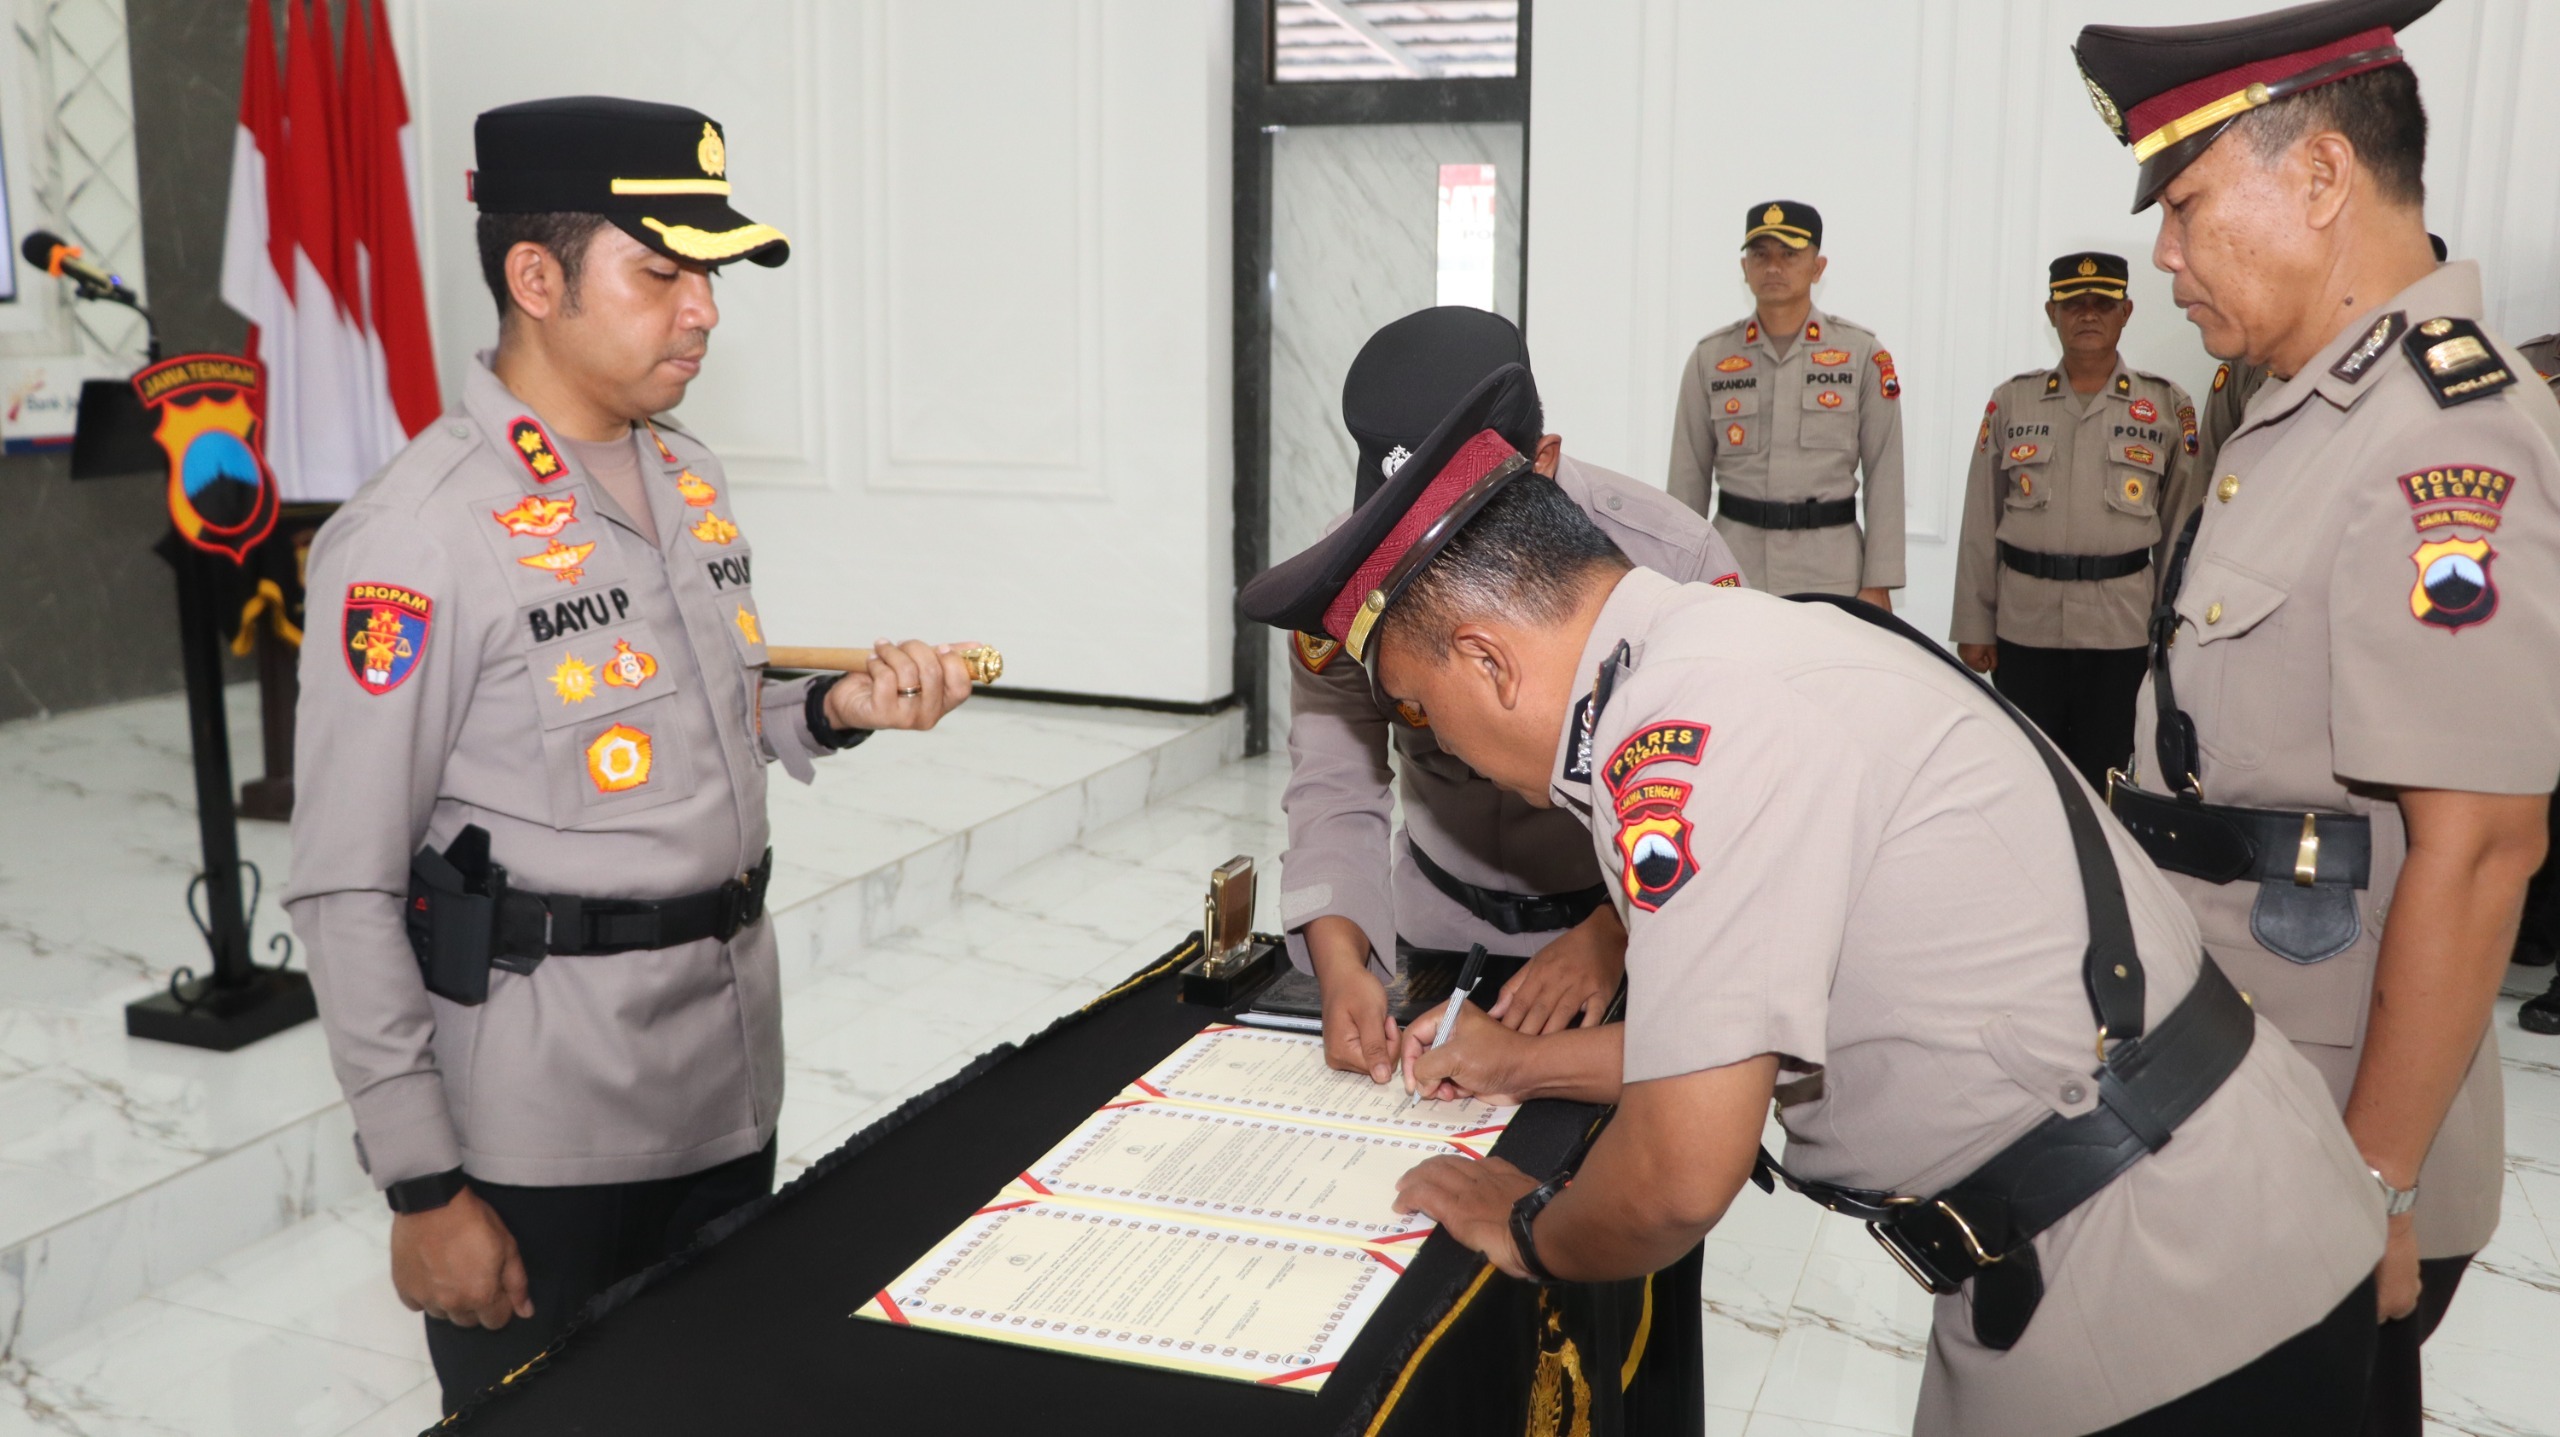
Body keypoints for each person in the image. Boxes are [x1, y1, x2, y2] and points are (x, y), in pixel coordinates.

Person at [1237, 366, 2386, 1436]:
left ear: (1488, 659)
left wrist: (1528, 1231)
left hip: (2164, 1281)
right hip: (2185, 1220)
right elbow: (1741, 1038)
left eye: (1421, 708)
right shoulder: (1730, 648)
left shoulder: (1679, 742)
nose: (1440, 747)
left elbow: (1679, 1172)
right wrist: (1520, 1063)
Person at [283, 97, 978, 1413]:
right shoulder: (417, 536)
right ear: (534, 279)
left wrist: (833, 710)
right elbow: (342, 884)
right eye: (661, 272)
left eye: (708, 274)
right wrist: (425, 1187)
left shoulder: (684, 475)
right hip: (543, 1129)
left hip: (725, 1077)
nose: (703, 309)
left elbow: (706, 712)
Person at [2074, 3, 2560, 1431]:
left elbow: (2480, 848)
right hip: (2237, 1087)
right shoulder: (2295, 407)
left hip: (2327, 1137)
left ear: (2324, 176)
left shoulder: (2446, 434)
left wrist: (2374, 1190)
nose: (2165, 256)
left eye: (2185, 205)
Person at [1283, 307, 1741, 1083]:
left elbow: (1724, 807)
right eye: (1402, 535)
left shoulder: (1672, 562)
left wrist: (1611, 934)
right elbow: (1334, 781)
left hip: (1624, 930)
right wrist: (1341, 962)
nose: (1437, 571)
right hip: (1429, 925)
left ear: (1543, 464)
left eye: (1463, 524)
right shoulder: (1344, 587)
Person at [1952, 252, 2200, 787]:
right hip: (2025, 627)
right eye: (2073, 304)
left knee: (2106, 777)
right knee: (2027, 776)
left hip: (2121, 631)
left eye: (2103, 303)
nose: (2088, 314)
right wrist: (1974, 624)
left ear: (2126, 312)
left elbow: (2182, 535)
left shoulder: (2166, 407)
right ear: (2052, 312)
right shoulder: (2012, 402)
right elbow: (1980, 518)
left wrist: (2171, 636)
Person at [1666, 201, 1905, 603]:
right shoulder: (1711, 358)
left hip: (1831, 571)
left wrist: (1877, 582)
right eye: (1760, 255)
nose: (1773, 267)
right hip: (1734, 567)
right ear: (1745, 268)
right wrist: (1679, 578)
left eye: (1789, 254)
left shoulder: (1862, 354)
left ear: (1818, 267)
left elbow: (1885, 472)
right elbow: (1687, 478)